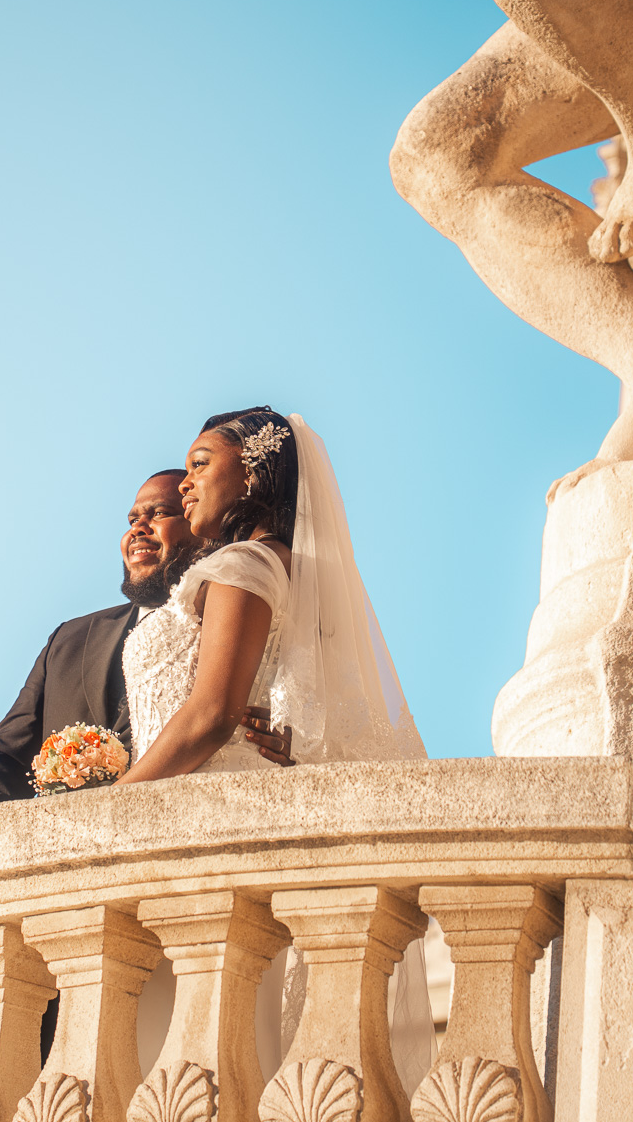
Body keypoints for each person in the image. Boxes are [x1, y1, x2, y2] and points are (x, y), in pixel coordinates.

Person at [113, 405, 435, 1091]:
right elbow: (282, 706)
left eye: (201, 464)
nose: (187, 484)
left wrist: (115, 805)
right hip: (234, 825)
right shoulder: (285, 566)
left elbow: (210, 712)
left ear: (254, 473)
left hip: (194, 836)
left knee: (183, 1057)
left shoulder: (242, 564)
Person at [0, 468, 288, 810]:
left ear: (202, 525)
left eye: (160, 513)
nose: (138, 528)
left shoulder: (251, 620)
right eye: (133, 518)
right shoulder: (69, 639)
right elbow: (3, 758)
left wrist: (288, 740)